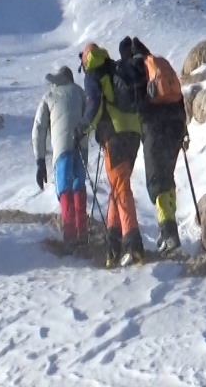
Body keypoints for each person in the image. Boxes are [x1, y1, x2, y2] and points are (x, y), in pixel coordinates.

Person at [74, 43, 145, 267]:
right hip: (134, 132)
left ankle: (134, 245)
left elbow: (93, 106)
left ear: (85, 61)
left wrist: (82, 129)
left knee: (121, 187)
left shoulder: (94, 73)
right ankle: (112, 245)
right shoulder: (113, 67)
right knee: (117, 186)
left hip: (115, 135)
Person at [120, 36, 188, 253]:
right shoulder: (158, 65)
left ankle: (168, 234)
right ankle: (169, 231)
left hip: (155, 127)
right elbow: (179, 98)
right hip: (175, 125)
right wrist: (183, 128)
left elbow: (132, 101)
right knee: (166, 177)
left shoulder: (134, 68)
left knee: (156, 181)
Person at [32, 65, 89, 245]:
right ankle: (83, 233)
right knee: (79, 186)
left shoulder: (49, 96)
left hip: (62, 149)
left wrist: (40, 160)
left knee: (64, 189)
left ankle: (70, 236)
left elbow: (38, 129)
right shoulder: (80, 92)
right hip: (82, 146)